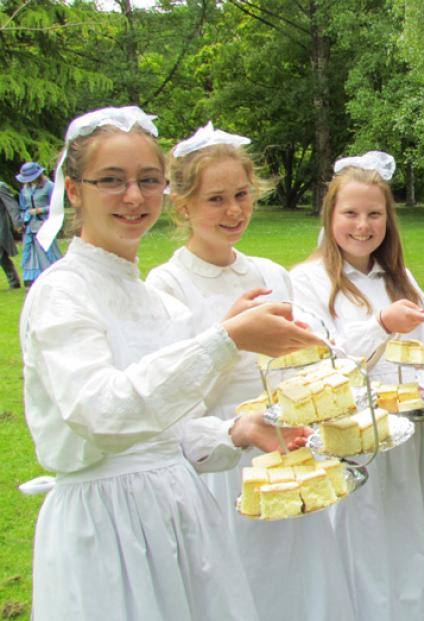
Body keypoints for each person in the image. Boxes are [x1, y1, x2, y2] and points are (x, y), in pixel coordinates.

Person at [20, 106, 320, 621]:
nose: (134, 196)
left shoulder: (159, 305)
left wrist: (238, 431)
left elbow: (175, 436)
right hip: (109, 529)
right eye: (112, 180)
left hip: (179, 515)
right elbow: (101, 412)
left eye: (148, 180)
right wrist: (224, 341)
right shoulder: (62, 293)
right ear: (74, 190)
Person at [145, 122, 356, 621]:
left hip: (287, 450)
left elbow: (292, 365)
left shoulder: (269, 273)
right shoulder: (167, 285)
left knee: (302, 588)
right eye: (216, 199)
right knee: (239, 591)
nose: (234, 210)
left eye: (242, 194)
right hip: (223, 462)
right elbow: (174, 398)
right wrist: (226, 332)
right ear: (184, 205)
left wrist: (318, 357)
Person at [290, 151, 424, 621]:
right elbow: (320, 360)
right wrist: (380, 323)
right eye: (351, 214)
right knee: (357, 553)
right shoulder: (306, 281)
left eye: (374, 214)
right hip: (348, 440)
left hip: (408, 436)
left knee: (408, 545)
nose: (363, 225)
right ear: (330, 215)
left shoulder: (400, 278)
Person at [16, 161, 62, 286]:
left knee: (47, 250)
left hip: (45, 225)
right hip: (30, 226)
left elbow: (57, 206)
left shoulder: (49, 186)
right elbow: (23, 207)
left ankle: (54, 275)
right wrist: (22, 221)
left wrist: (39, 210)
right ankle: (32, 279)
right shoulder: (25, 189)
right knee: (30, 251)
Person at [0, 180, 23, 289]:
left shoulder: (1, 186)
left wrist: (17, 222)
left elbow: (12, 205)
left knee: (1, 256)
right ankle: (13, 282)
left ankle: (13, 282)